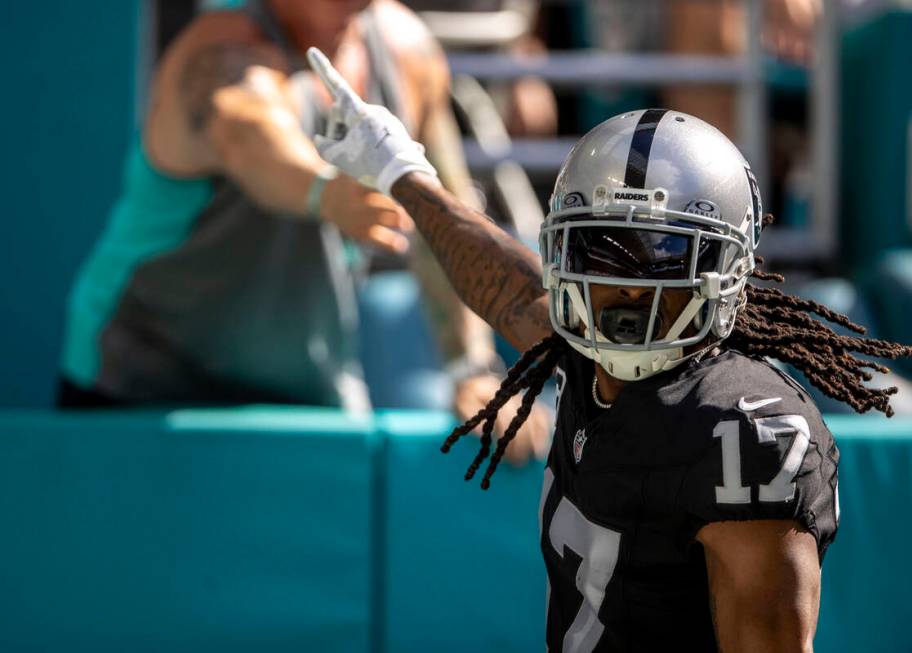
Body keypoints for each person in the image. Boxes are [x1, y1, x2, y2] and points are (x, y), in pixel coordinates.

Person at [306, 48, 912, 651]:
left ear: (727, 270)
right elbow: (503, 284)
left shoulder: (743, 430)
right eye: (602, 250)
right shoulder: (584, 354)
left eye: (665, 254)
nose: (629, 284)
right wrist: (398, 169)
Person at [58, 0, 549, 460]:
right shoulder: (219, 52)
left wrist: (471, 368)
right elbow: (247, 132)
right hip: (139, 390)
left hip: (304, 391)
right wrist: (326, 192)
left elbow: (444, 217)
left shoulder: (406, 50)